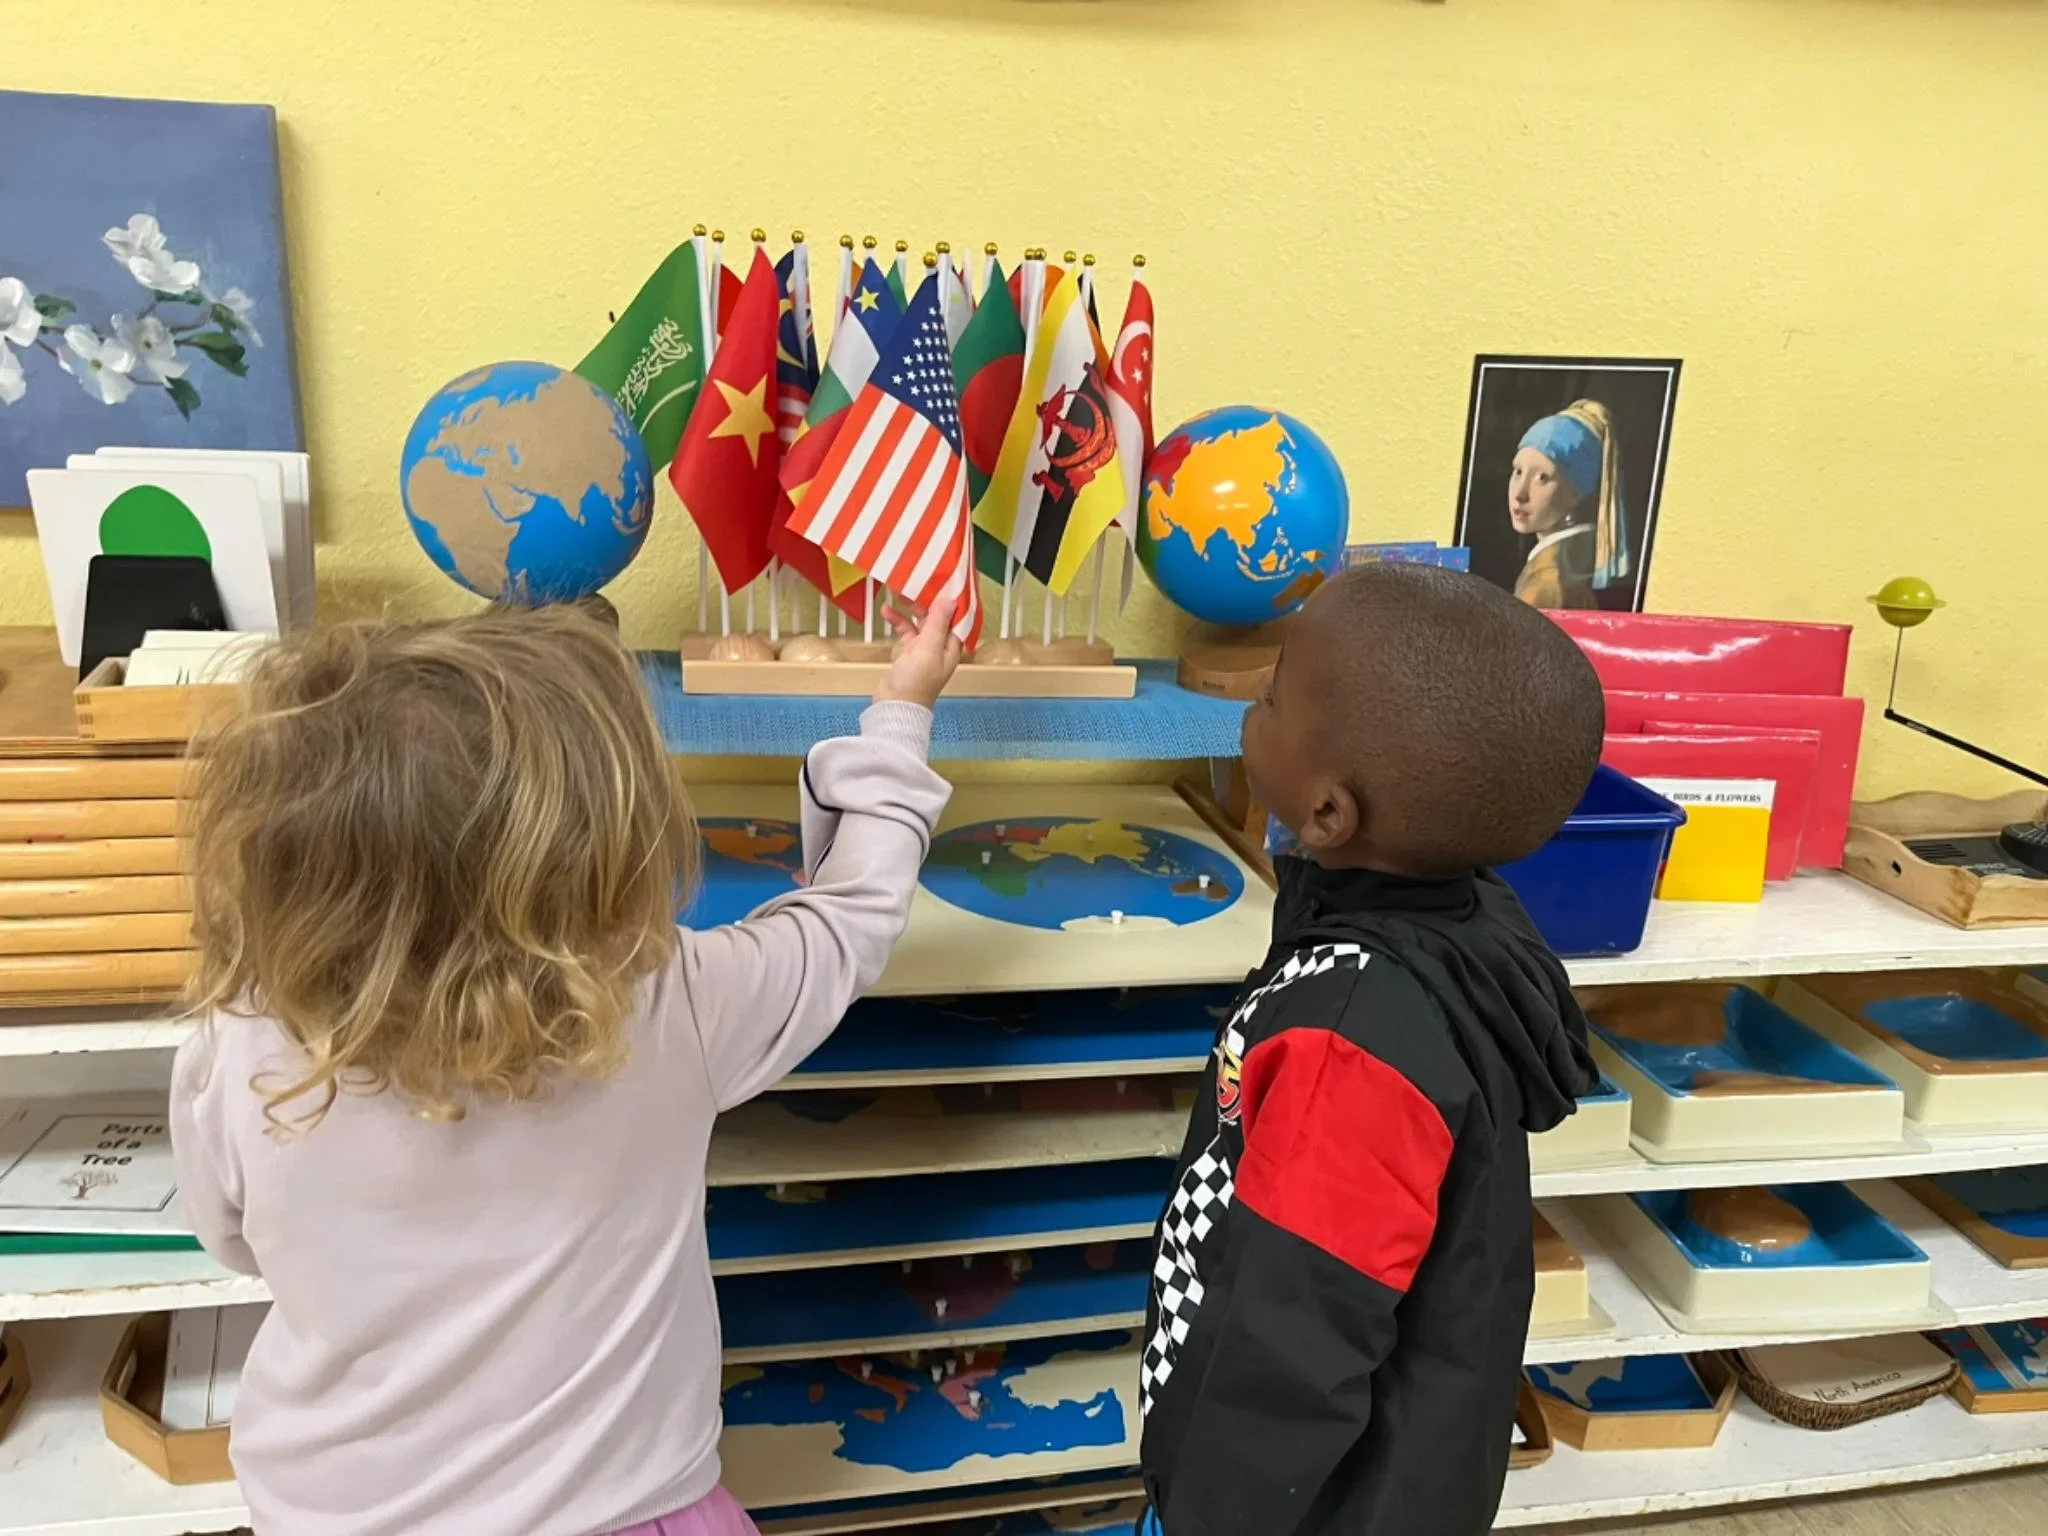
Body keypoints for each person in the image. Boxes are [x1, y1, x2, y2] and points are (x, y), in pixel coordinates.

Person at [169, 597, 963, 1536]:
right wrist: (901, 709)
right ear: (604, 851)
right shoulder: (668, 1002)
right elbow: (849, 921)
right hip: (633, 1509)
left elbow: (231, 1236)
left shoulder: (243, 1040)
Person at [1137, 564, 1605, 1536]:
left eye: (1269, 695)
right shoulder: (1459, 920)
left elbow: (1286, 1343)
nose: (1251, 701)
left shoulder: (1347, 1046)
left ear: (1328, 814)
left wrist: (1204, 1515)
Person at [1504, 398, 1630, 609]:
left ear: (1576, 492)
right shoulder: (1580, 558)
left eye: (1542, 477)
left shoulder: (1546, 582)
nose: (1520, 494)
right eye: (1518, 472)